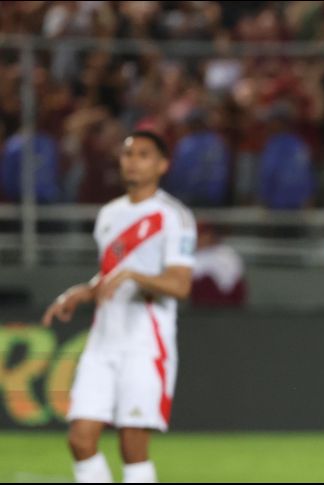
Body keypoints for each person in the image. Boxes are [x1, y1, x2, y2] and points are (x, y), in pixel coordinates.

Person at [42, 131, 197, 483]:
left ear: (162, 165)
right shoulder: (109, 214)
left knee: (132, 446)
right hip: (102, 342)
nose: (132, 160)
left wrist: (132, 274)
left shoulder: (174, 216)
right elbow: (109, 276)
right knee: (80, 440)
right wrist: (82, 291)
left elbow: (180, 284)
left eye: (143, 154)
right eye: (127, 153)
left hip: (145, 345)